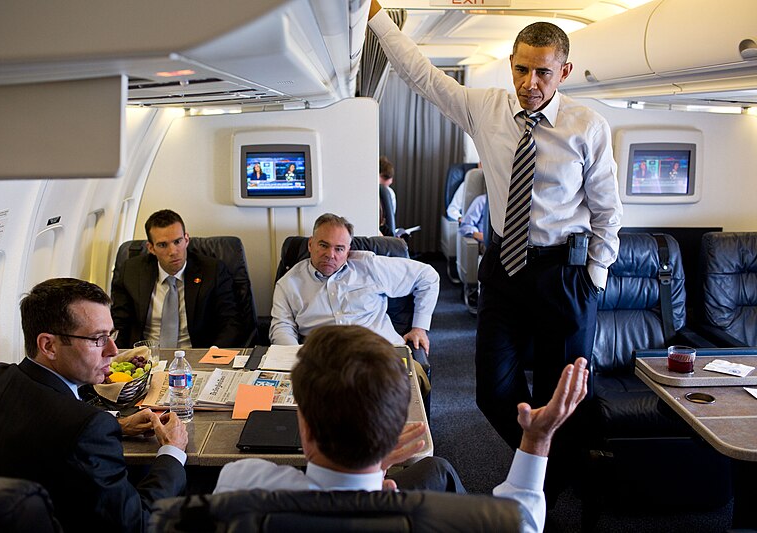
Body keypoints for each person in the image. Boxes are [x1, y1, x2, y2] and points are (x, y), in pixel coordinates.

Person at [368, 0, 623, 503]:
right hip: (505, 267)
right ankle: (542, 457)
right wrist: (378, 18)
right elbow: (421, 75)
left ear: (564, 71)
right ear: (511, 63)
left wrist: (594, 278)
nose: (530, 82)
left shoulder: (586, 126)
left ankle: (555, 476)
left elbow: (607, 212)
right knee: (491, 391)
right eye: (522, 68)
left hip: (565, 273)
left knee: (564, 394)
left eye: (543, 72)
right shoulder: (485, 107)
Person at [215, 325, 590, 533]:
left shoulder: (239, 483)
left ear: (304, 429)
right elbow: (523, 521)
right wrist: (537, 440)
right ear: (397, 427)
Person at [0, 277, 188, 532]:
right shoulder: (89, 427)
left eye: (111, 335)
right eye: (98, 339)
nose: (113, 350)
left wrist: (119, 425)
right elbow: (137, 523)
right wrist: (172, 452)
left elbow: (42, 428)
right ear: (48, 345)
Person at [270, 213, 438, 358]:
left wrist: (419, 327)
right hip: (326, 363)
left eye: (339, 249)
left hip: (381, 356)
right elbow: (282, 327)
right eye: (323, 245)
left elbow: (427, 276)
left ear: (348, 250)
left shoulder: (369, 266)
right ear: (310, 244)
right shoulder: (289, 283)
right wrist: (294, 360)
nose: (330, 255)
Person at [111, 209, 250, 349]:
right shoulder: (131, 272)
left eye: (177, 241)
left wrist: (212, 355)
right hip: (147, 358)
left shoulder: (212, 271)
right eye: (163, 245)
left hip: (196, 355)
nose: (173, 251)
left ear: (187, 240)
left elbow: (231, 323)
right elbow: (119, 323)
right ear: (151, 248)